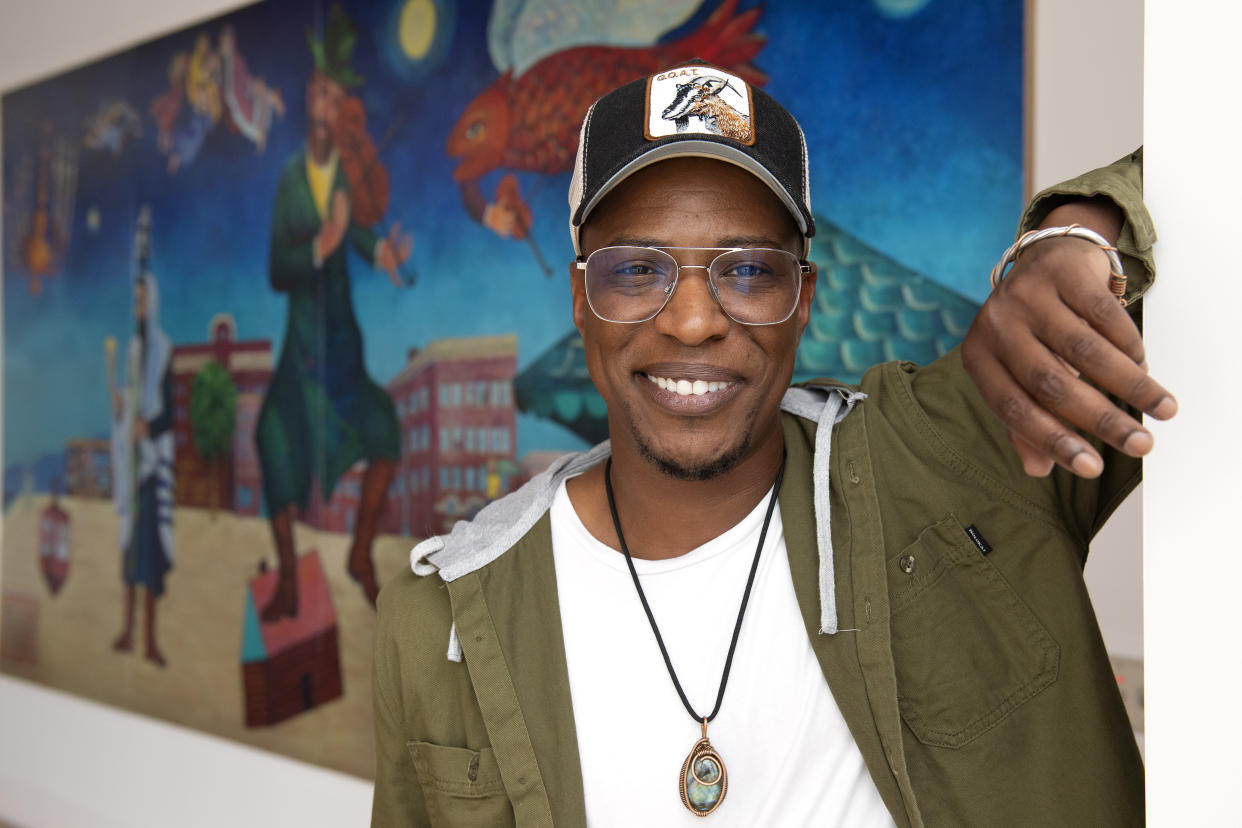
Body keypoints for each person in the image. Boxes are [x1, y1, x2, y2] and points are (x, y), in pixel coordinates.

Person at [371, 65, 1174, 826]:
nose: (693, 320)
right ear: (582, 300)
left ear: (804, 299)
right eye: (637, 270)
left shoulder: (965, 451)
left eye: (750, 271)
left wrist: (1083, 230)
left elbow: (1211, 145)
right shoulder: (439, 619)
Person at [256, 4, 412, 621]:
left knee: (385, 433)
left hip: (342, 345)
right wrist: (316, 246)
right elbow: (276, 267)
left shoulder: (346, 176)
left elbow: (357, 235)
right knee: (272, 442)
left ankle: (359, 553)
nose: (328, 102)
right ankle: (290, 581)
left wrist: (383, 253)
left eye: (335, 94)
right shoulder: (292, 179)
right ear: (307, 102)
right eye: (321, 92)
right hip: (302, 351)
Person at [108, 225, 175, 668]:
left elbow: (169, 414)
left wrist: (145, 428)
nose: (137, 307)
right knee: (129, 555)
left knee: (149, 560)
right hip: (131, 467)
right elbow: (127, 408)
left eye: (140, 299)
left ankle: (150, 639)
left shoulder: (163, 352)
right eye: (133, 301)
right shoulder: (131, 352)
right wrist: (120, 409)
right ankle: (127, 631)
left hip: (151, 468)